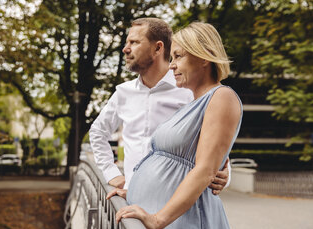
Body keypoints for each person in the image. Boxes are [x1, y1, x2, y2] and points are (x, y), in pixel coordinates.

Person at [115, 22, 243, 229]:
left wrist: (157, 219)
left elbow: (205, 169)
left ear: (204, 58)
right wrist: (135, 193)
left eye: (178, 57)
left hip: (185, 228)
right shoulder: (191, 104)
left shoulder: (222, 97)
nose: (171, 66)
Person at [89, 18, 230, 193]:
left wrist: (225, 173)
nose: (125, 49)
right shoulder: (123, 93)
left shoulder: (189, 91)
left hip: (174, 201)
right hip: (131, 198)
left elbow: (214, 142)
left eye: (134, 42)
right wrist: (111, 174)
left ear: (158, 48)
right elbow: (97, 132)